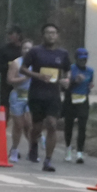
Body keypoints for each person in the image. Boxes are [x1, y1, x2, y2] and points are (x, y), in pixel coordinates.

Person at [20, 23, 72, 173]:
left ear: (57, 35)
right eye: (48, 32)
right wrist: (38, 75)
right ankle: (33, 144)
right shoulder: (35, 51)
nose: (51, 35)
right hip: (37, 94)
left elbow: (68, 70)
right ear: (43, 35)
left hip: (53, 94)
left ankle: (48, 160)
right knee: (36, 127)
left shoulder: (62, 53)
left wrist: (67, 80)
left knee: (52, 124)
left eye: (54, 33)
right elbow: (23, 69)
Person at [63, 48, 95, 165]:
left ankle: (80, 152)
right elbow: (64, 86)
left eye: (85, 59)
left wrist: (90, 86)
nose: (83, 61)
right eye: (81, 59)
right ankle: (68, 149)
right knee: (69, 125)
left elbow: (90, 83)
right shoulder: (70, 69)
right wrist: (74, 81)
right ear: (76, 59)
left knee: (82, 126)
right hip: (70, 99)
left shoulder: (90, 71)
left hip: (83, 99)